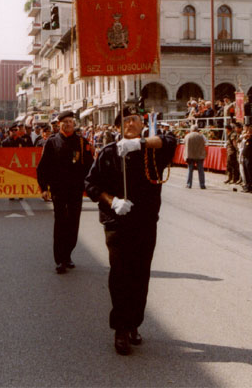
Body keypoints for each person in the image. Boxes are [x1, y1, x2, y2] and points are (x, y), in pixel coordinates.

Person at [85, 106, 177, 356]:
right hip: (117, 222)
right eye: (125, 122)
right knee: (120, 275)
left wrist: (140, 144)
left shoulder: (153, 150)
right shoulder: (108, 153)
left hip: (145, 222)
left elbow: (172, 140)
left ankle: (135, 322)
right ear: (117, 128)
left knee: (140, 275)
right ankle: (121, 329)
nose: (131, 124)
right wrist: (112, 200)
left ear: (142, 124)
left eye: (135, 120)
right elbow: (91, 184)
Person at [37, 111, 93, 274]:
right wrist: (44, 188)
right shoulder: (52, 142)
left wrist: (90, 186)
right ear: (58, 124)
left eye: (70, 121)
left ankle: (68, 254)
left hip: (76, 189)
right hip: (58, 189)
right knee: (61, 222)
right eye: (64, 122)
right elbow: (43, 167)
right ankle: (60, 259)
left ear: (74, 124)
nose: (68, 124)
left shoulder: (82, 142)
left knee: (73, 223)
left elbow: (90, 166)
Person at [183, 125, 207, 189]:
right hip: (199, 155)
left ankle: (188, 184)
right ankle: (202, 185)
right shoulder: (201, 136)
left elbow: (184, 143)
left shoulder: (187, 136)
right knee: (201, 170)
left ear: (191, 130)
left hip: (190, 155)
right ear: (197, 129)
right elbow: (206, 142)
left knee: (190, 170)